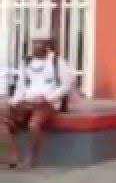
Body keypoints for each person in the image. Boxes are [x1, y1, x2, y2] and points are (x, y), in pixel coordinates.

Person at [1, 37, 74, 169]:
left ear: (47, 46)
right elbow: (21, 85)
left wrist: (48, 97)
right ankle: (11, 157)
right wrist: (14, 101)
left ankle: (31, 159)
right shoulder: (27, 62)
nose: (37, 46)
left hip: (47, 103)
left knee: (34, 124)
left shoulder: (57, 62)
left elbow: (67, 85)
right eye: (34, 43)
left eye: (40, 43)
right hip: (27, 100)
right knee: (2, 116)